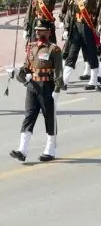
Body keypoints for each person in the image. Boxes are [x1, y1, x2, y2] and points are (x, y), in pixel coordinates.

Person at [12, 19, 64, 163]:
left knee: (49, 117)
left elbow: (59, 71)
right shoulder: (31, 47)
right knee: (29, 116)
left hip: (47, 86)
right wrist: (18, 74)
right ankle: (22, 150)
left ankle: (50, 149)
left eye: (40, 30)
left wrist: (58, 89)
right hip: (32, 86)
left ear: (48, 32)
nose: (37, 32)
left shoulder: (54, 49)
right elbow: (26, 67)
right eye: (36, 30)